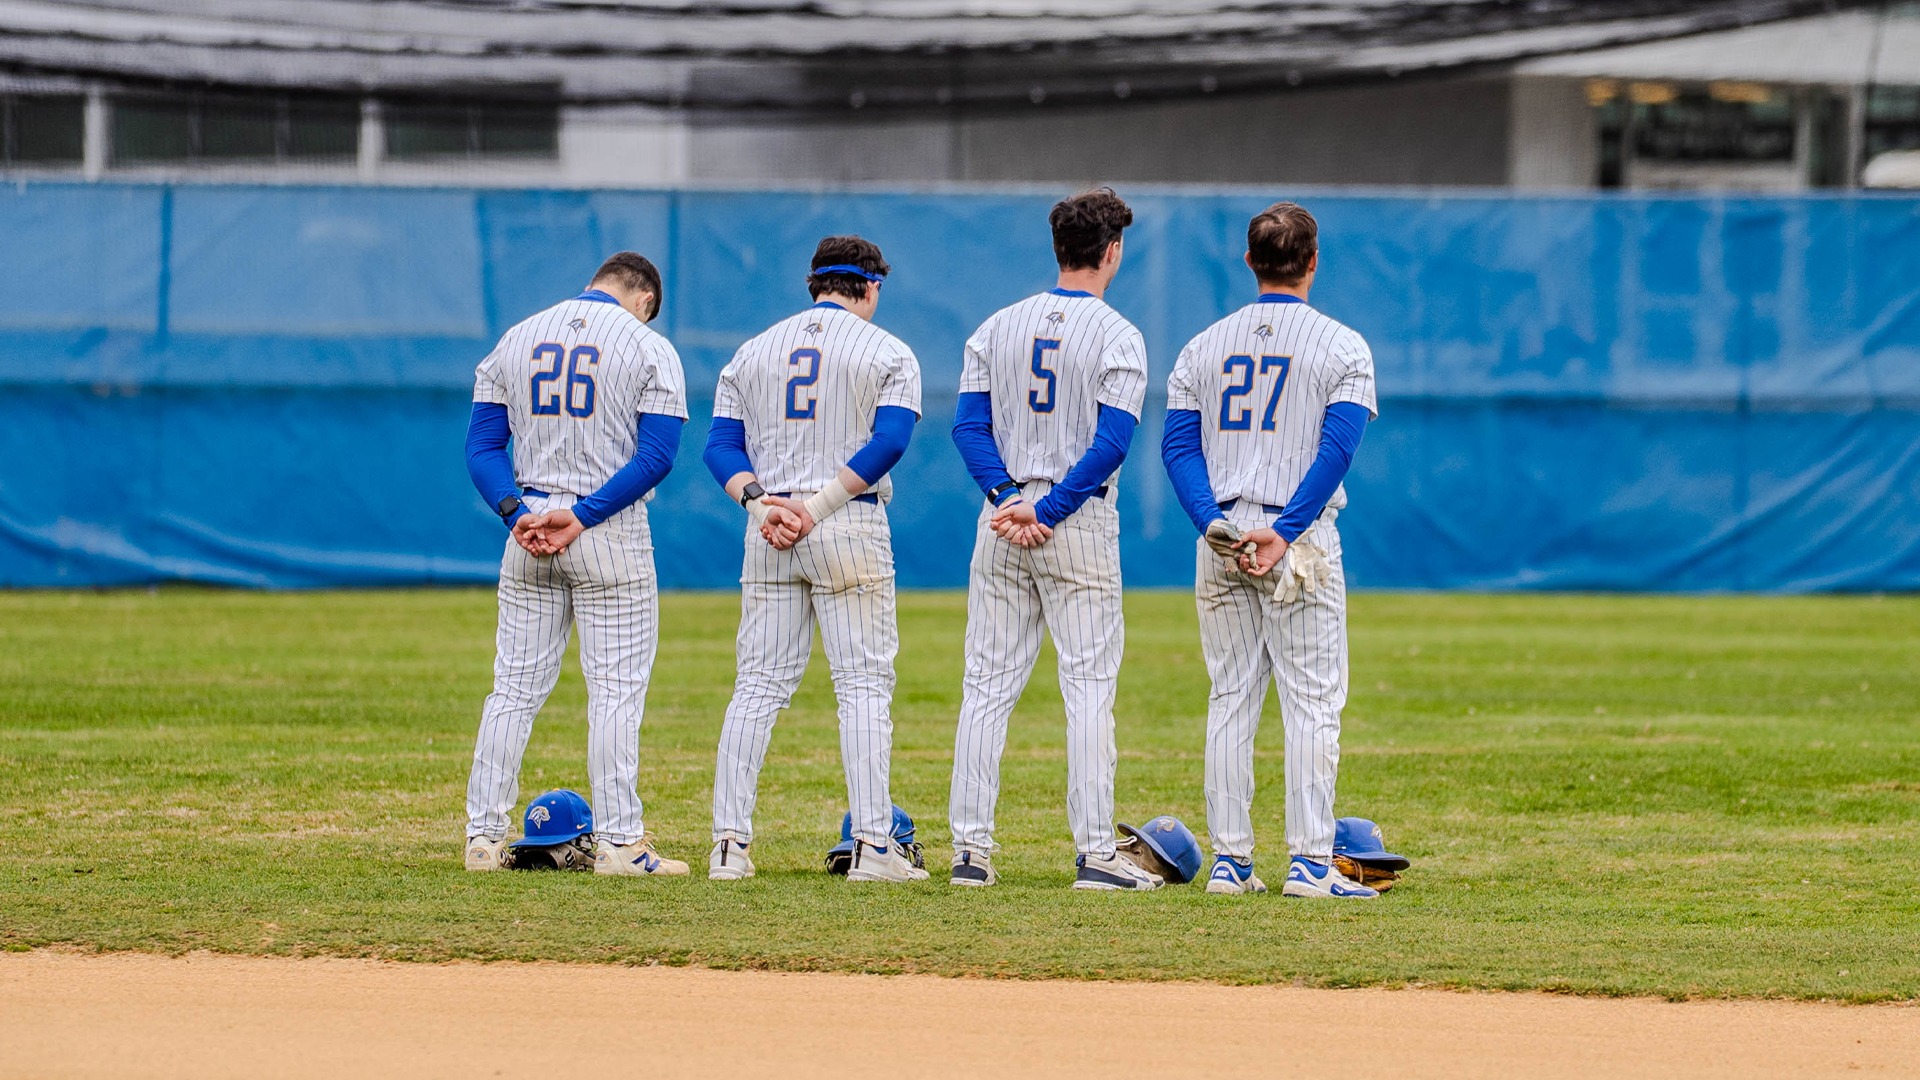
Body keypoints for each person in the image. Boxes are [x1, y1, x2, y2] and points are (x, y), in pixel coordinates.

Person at [1160, 202, 1381, 899]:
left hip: (1222, 537)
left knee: (1230, 698)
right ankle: (1311, 866)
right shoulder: (1342, 344)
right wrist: (1283, 532)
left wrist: (1213, 525)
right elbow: (1337, 450)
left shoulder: (1203, 345)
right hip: (1298, 542)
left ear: (1251, 262)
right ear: (1313, 262)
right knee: (1313, 704)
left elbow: (1178, 447)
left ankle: (1230, 863)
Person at [945, 188, 1158, 890]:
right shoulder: (1119, 333)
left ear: (1058, 246)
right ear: (1113, 251)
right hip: (1076, 522)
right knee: (1089, 689)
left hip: (1002, 521)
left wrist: (1010, 499)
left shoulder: (997, 326)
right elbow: (1111, 445)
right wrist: (1050, 508)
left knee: (986, 686)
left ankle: (970, 853)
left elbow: (968, 428)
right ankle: (1096, 853)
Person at [701, 236, 927, 884]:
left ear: (814, 282)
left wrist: (759, 505)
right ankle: (874, 849)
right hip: (845, 521)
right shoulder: (886, 349)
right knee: (861, 687)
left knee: (757, 686)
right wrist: (817, 507)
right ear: (871, 285)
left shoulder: (754, 349)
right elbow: (891, 440)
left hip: (768, 524)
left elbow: (720, 447)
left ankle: (728, 847)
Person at [461, 251, 691, 877]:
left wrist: (516, 514)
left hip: (530, 531)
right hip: (605, 532)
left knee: (512, 688)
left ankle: (483, 838)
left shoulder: (518, 335)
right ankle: (620, 843)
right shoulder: (648, 345)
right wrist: (584, 516)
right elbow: (657, 457)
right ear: (644, 298)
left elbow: (482, 445)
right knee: (615, 694)